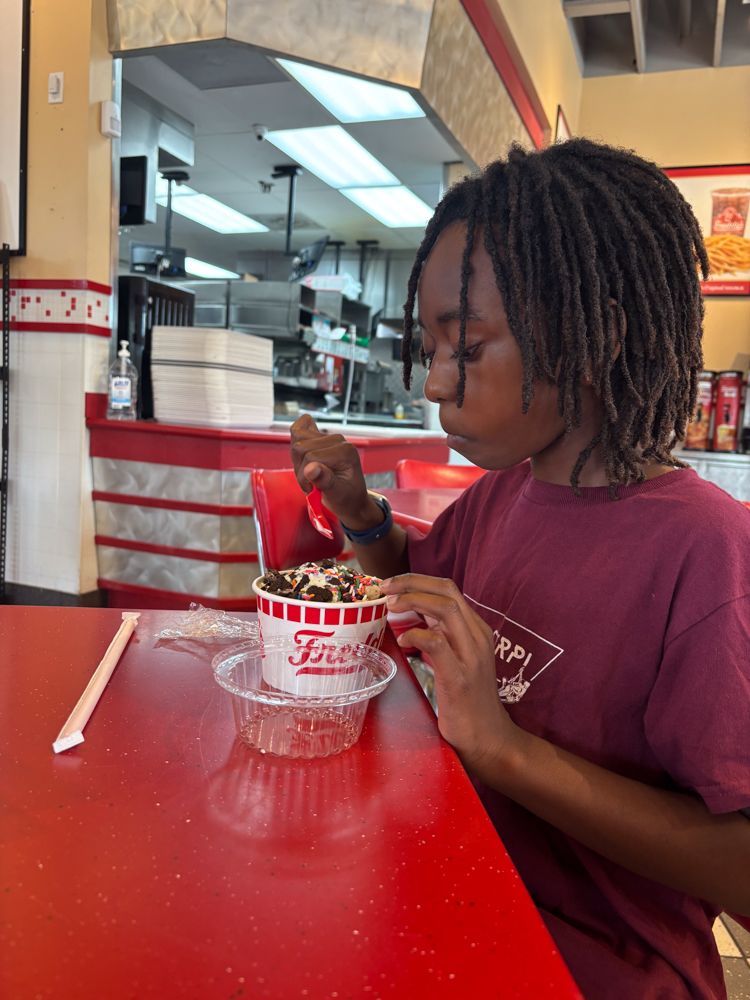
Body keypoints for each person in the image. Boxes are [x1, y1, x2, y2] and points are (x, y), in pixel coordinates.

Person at [289, 138, 750, 999]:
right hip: (460, 904)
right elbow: (414, 578)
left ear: (594, 336)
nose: (434, 386)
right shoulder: (507, 496)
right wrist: (359, 510)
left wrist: (505, 751)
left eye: (465, 349)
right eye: (429, 350)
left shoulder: (707, 552)